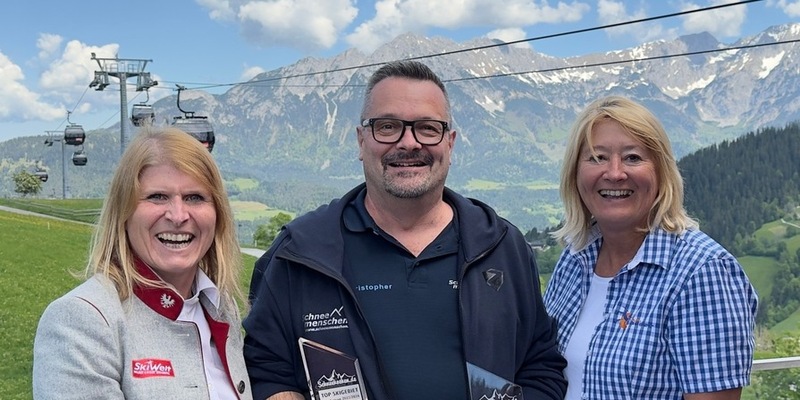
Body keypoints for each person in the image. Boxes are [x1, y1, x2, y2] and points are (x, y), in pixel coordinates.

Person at [243, 60, 567, 399]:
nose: (409, 143)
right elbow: (265, 368)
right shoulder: (301, 252)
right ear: (361, 140)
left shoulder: (502, 246)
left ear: (450, 143)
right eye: (387, 126)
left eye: (427, 128)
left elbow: (540, 365)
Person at [543, 95, 758, 400]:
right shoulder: (575, 257)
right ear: (576, 174)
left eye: (632, 157)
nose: (615, 173)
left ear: (661, 173)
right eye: (597, 157)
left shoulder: (702, 272)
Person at [32, 127, 253, 400]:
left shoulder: (222, 308)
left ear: (217, 213)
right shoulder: (82, 321)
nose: (178, 215)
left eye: (194, 197)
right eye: (157, 196)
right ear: (123, 212)